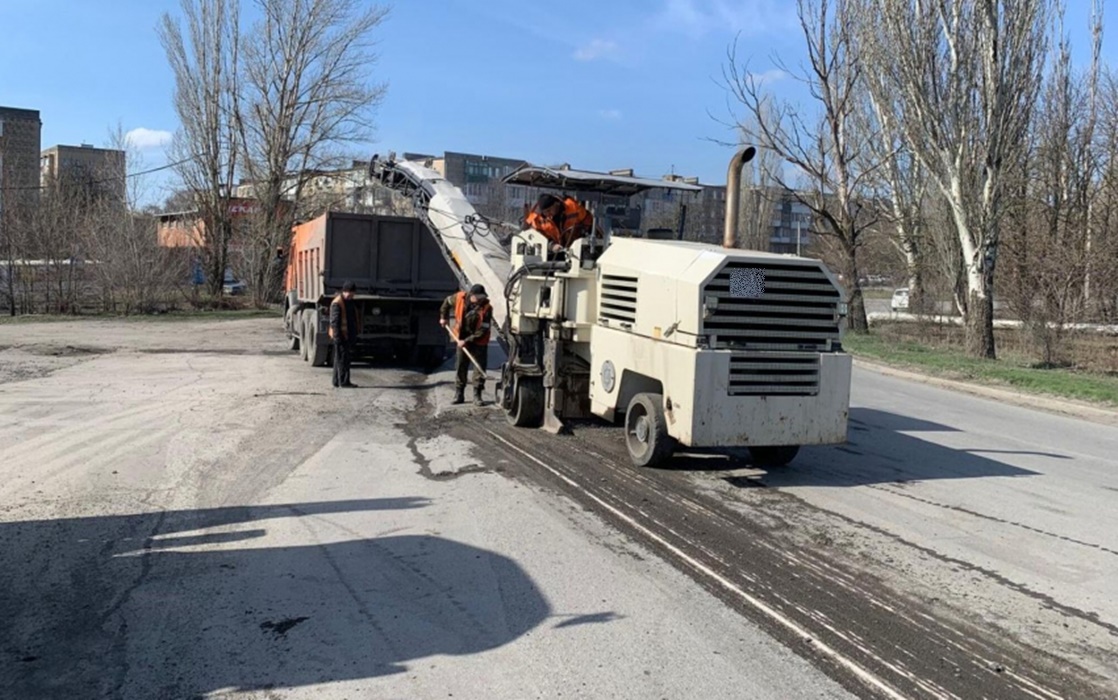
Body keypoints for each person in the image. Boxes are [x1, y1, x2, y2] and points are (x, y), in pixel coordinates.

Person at [439, 284, 492, 405]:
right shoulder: (459, 298)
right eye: (479, 297)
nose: (481, 300)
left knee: (479, 368)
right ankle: (459, 394)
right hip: (461, 338)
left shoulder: (487, 308)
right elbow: (446, 302)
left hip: (478, 341)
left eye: (482, 297)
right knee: (460, 366)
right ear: (472, 296)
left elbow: (483, 330)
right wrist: (443, 317)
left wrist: (467, 341)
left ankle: (477, 395)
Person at [526, 193, 594, 252]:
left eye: (549, 210)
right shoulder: (536, 218)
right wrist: (551, 245)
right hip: (553, 252)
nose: (547, 214)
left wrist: (584, 232)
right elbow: (536, 236)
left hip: (576, 247)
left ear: (556, 204)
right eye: (545, 212)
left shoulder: (572, 206)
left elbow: (587, 219)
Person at [329, 280, 360, 388]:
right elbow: (335, 322)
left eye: (353, 293)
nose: (351, 295)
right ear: (345, 291)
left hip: (346, 335)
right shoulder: (337, 303)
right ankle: (344, 382)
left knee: (340, 359)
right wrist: (337, 337)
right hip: (341, 336)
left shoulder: (349, 302)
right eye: (350, 293)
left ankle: (336, 381)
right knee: (343, 359)